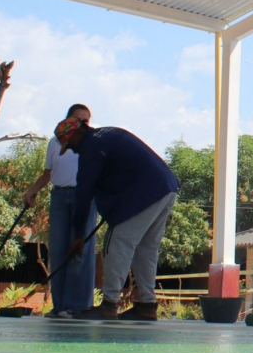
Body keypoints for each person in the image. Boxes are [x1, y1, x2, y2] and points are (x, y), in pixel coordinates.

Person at [55, 118, 180, 321]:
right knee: (145, 250)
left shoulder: (90, 147)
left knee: (117, 245)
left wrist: (78, 234)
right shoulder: (107, 134)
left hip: (143, 194)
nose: (72, 151)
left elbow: (84, 192)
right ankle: (147, 305)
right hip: (165, 187)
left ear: (77, 134)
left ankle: (109, 304)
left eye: (70, 145)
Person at [22, 104, 97, 318]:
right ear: (67, 120)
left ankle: (77, 307)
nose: (81, 124)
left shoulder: (91, 143)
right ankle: (60, 305)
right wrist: (32, 191)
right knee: (57, 248)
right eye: (77, 119)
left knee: (79, 251)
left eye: (86, 121)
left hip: (84, 197)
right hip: (59, 195)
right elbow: (48, 173)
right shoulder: (55, 143)